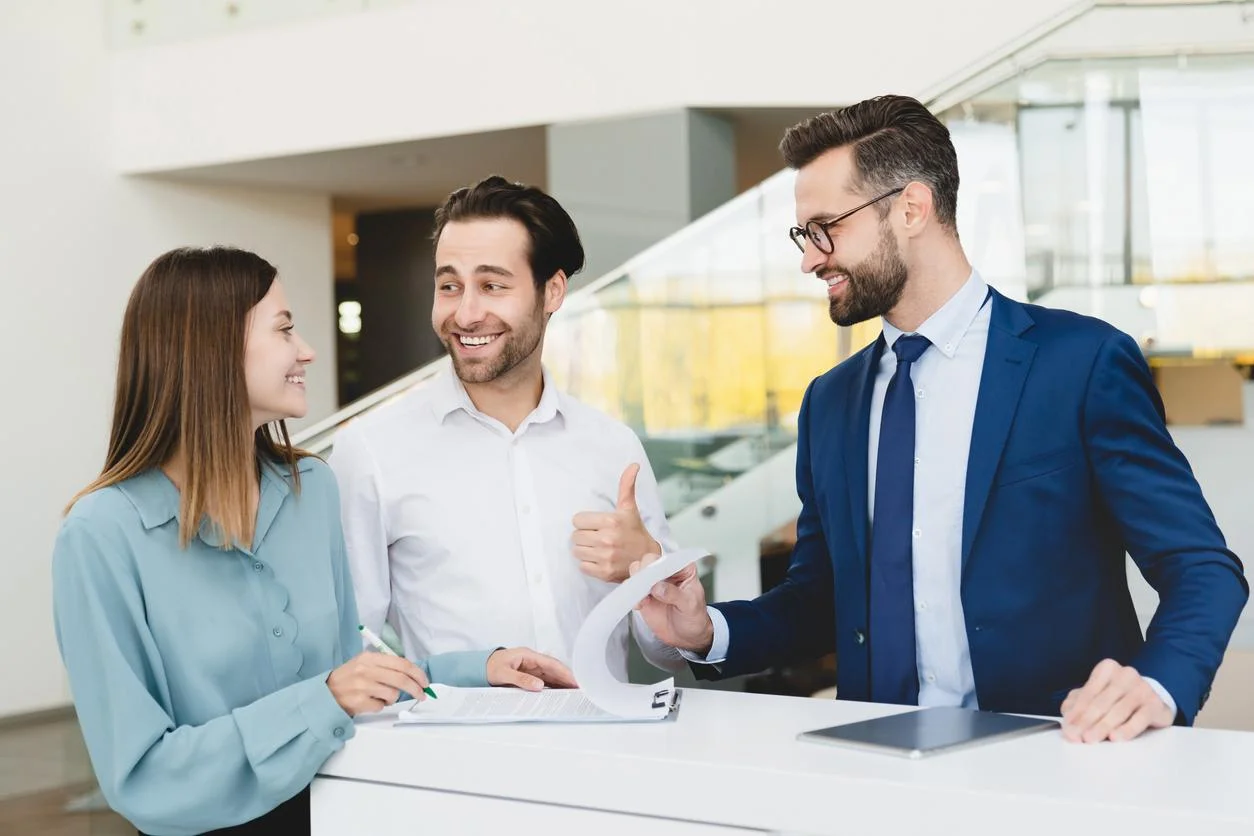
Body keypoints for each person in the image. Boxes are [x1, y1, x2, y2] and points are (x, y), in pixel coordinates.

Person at [632, 95, 1248, 743]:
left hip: (1056, 759)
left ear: (911, 208)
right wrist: (707, 631)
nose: (810, 259)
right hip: (877, 764)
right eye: (802, 235)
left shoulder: (1081, 364)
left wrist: (1155, 685)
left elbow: (1201, 569)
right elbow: (822, 597)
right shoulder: (830, 401)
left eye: (825, 228)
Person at [52, 247, 575, 836]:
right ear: (211, 348)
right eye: (284, 329)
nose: (307, 350)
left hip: (345, 815)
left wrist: (480, 668)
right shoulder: (100, 536)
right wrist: (325, 700)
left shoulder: (312, 489)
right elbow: (144, 780)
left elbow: (351, 677)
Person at [330, 176, 683, 681]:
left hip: (601, 750)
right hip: (453, 756)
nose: (466, 313)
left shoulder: (612, 447)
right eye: (449, 286)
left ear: (552, 291)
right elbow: (351, 653)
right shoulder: (368, 451)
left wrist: (648, 569)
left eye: (493, 285)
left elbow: (669, 652)